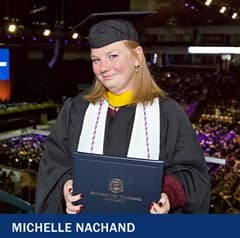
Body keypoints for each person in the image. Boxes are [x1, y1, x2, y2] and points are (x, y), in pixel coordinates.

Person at [35, 18, 211, 214]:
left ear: (137, 56)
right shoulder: (76, 110)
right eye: (96, 59)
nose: (103, 68)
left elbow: (193, 175)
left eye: (112, 56)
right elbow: (54, 164)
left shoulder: (167, 114)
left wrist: (168, 194)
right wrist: (66, 186)